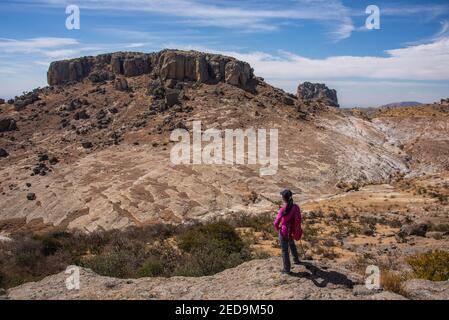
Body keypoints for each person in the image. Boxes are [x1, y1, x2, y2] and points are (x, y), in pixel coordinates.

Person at [273, 189, 301, 274]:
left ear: (284, 198)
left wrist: (278, 229)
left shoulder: (283, 209)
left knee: (284, 250)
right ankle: (296, 260)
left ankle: (286, 269)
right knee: (292, 244)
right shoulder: (296, 207)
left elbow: (276, 223)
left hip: (284, 231)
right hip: (292, 230)